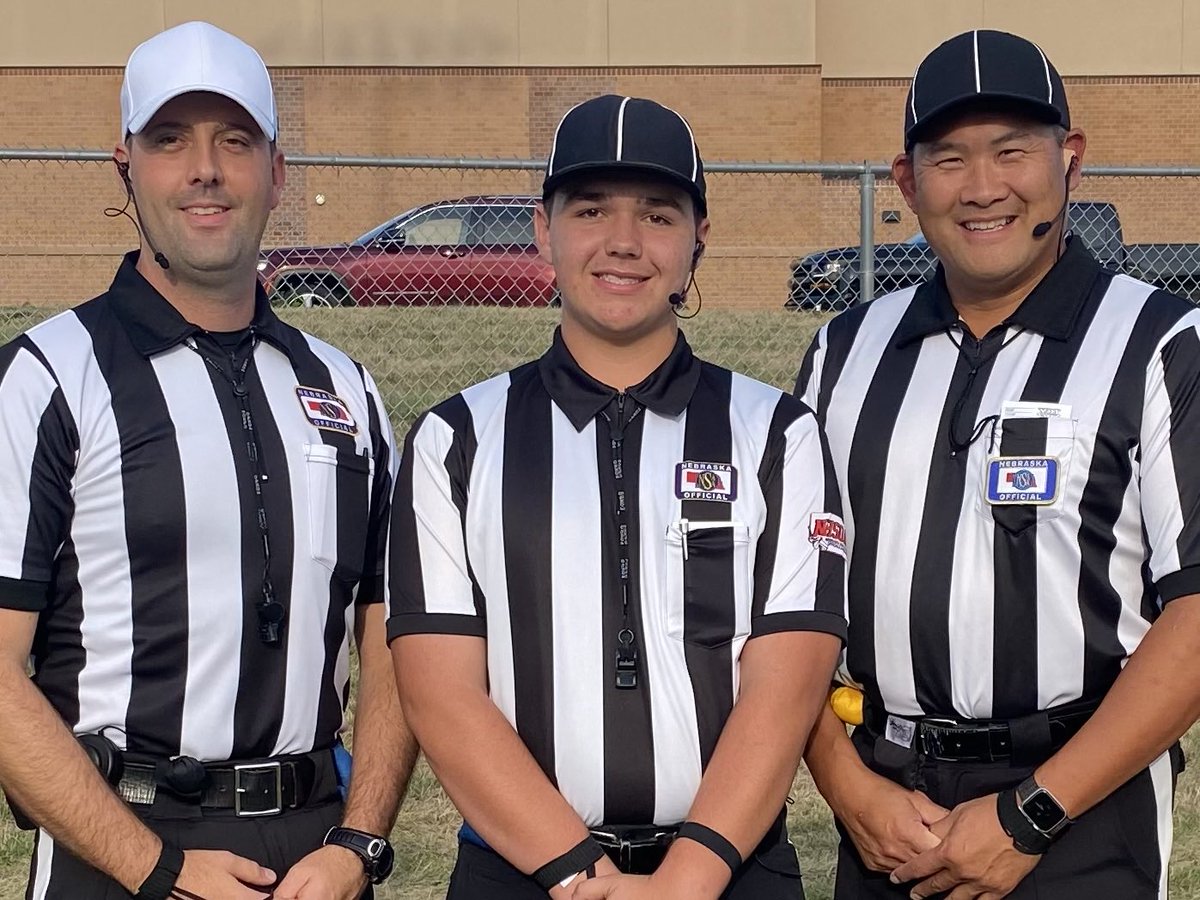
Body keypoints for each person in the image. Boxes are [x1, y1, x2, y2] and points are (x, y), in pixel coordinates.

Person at [388, 93, 846, 900]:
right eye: (592, 210)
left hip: (731, 871)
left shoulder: (778, 433)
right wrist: (579, 876)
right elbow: (441, 695)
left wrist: (687, 879)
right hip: (522, 874)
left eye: (659, 215)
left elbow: (789, 684)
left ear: (699, 238)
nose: (624, 242)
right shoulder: (454, 440)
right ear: (544, 229)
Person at [0, 21, 416, 900]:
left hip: (315, 855)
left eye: (234, 140)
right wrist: (154, 868)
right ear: (125, 168)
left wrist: (359, 840)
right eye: (169, 140)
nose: (204, 170)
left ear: (277, 170)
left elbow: (389, 639)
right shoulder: (47, 378)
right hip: (120, 849)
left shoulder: (344, 388)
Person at [797, 28, 1200, 900]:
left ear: (1070, 158)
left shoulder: (1162, 343)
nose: (983, 187)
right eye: (949, 159)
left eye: (1012, 151)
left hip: (1082, 803)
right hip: (888, 807)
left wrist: (1030, 814)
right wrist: (845, 784)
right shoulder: (843, 352)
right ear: (907, 183)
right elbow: (786, 603)